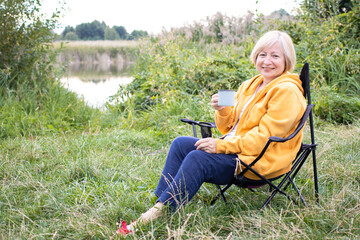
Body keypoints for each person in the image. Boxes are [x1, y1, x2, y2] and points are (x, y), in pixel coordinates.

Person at [117, 30, 307, 235]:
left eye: (275, 56)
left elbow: (264, 138)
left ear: (287, 60)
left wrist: (220, 145)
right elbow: (228, 127)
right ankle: (161, 201)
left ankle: (156, 215)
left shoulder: (287, 91)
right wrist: (222, 110)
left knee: (198, 158)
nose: (267, 61)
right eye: (262, 54)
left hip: (256, 161)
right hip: (237, 149)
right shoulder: (250, 84)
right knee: (180, 143)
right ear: (255, 56)